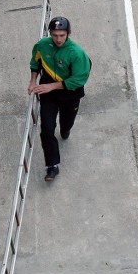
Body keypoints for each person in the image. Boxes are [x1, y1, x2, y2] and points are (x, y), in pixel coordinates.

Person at [28, 16, 92, 182]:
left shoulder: (77, 53)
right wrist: (33, 80)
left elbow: (79, 79)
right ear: (50, 33)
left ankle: (65, 129)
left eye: (62, 35)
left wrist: (53, 86)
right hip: (48, 92)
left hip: (70, 93)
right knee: (47, 129)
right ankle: (52, 166)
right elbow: (35, 62)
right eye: (55, 35)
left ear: (68, 34)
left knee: (66, 124)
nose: (58, 39)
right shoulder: (42, 45)